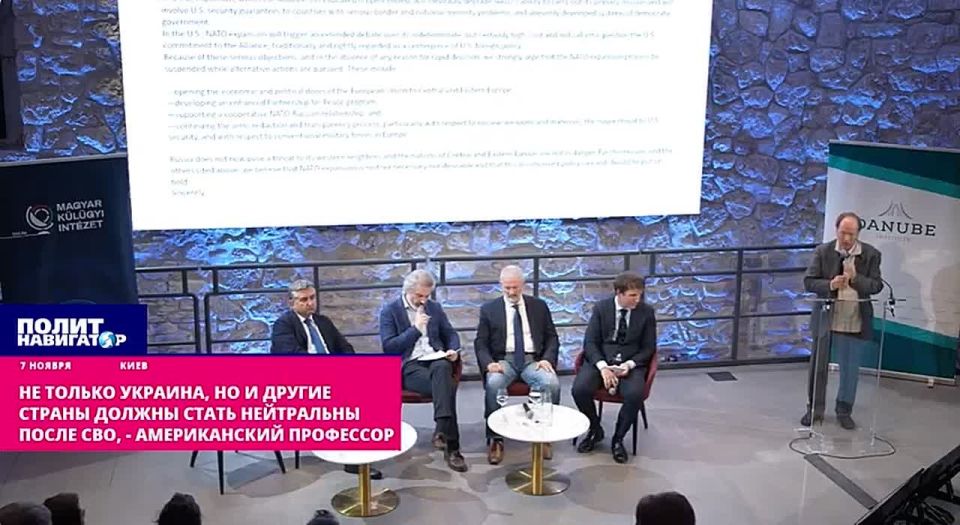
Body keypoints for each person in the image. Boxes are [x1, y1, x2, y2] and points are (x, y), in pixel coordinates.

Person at [270, 279, 382, 479]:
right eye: (304, 299)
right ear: (291, 302)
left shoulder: (323, 322)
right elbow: (292, 357)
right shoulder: (283, 325)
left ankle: (364, 447)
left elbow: (345, 347)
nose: (310, 303)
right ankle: (353, 460)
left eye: (312, 298)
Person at [380, 269, 466, 472]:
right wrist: (415, 329)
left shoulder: (434, 308)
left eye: (427, 296)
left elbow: (450, 333)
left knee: (442, 367)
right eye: (419, 296)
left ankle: (444, 429)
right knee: (445, 385)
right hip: (410, 365)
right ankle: (451, 445)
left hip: (435, 358)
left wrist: (453, 349)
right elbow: (389, 347)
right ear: (407, 291)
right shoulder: (390, 311)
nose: (423, 301)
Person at [803, 211, 883, 430]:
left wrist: (856, 278)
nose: (846, 238)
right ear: (836, 230)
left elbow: (876, 286)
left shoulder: (871, 254)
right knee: (818, 368)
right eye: (843, 233)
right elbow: (809, 281)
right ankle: (814, 409)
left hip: (855, 319)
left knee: (850, 369)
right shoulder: (823, 251)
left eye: (851, 234)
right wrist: (830, 285)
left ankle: (844, 411)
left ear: (858, 233)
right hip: (826, 318)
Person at [475, 265, 560, 464]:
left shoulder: (539, 306)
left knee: (551, 383)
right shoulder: (489, 309)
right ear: (501, 285)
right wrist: (489, 363)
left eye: (515, 287)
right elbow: (480, 342)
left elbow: (552, 337)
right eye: (507, 288)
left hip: (533, 360)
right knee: (494, 384)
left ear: (523, 285)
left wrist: (547, 359)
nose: (512, 292)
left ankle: (544, 434)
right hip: (503, 360)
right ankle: (495, 438)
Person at [572, 271, 657, 464]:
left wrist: (629, 364)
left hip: (631, 363)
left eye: (639, 295)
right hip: (601, 360)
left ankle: (618, 439)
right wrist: (603, 367)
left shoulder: (646, 312)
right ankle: (595, 429)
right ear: (619, 293)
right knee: (580, 390)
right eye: (632, 295)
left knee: (634, 394)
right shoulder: (601, 308)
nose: (637, 300)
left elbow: (648, 348)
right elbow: (590, 342)